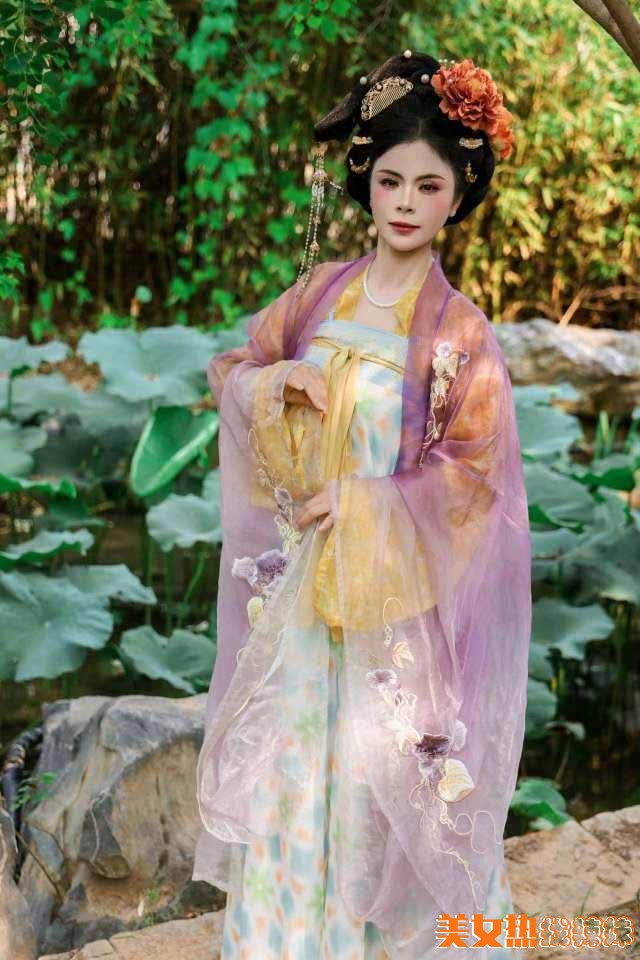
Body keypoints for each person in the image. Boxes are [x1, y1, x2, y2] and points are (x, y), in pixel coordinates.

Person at [192, 50, 531, 960]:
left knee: (386, 784)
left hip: (391, 613)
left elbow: (476, 481)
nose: (406, 203)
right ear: (366, 182)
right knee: (292, 774)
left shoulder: (461, 335)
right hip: (302, 611)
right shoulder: (318, 294)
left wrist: (370, 503)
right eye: (390, 181)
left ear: (458, 195)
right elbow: (233, 371)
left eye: (429, 185)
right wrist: (279, 386)